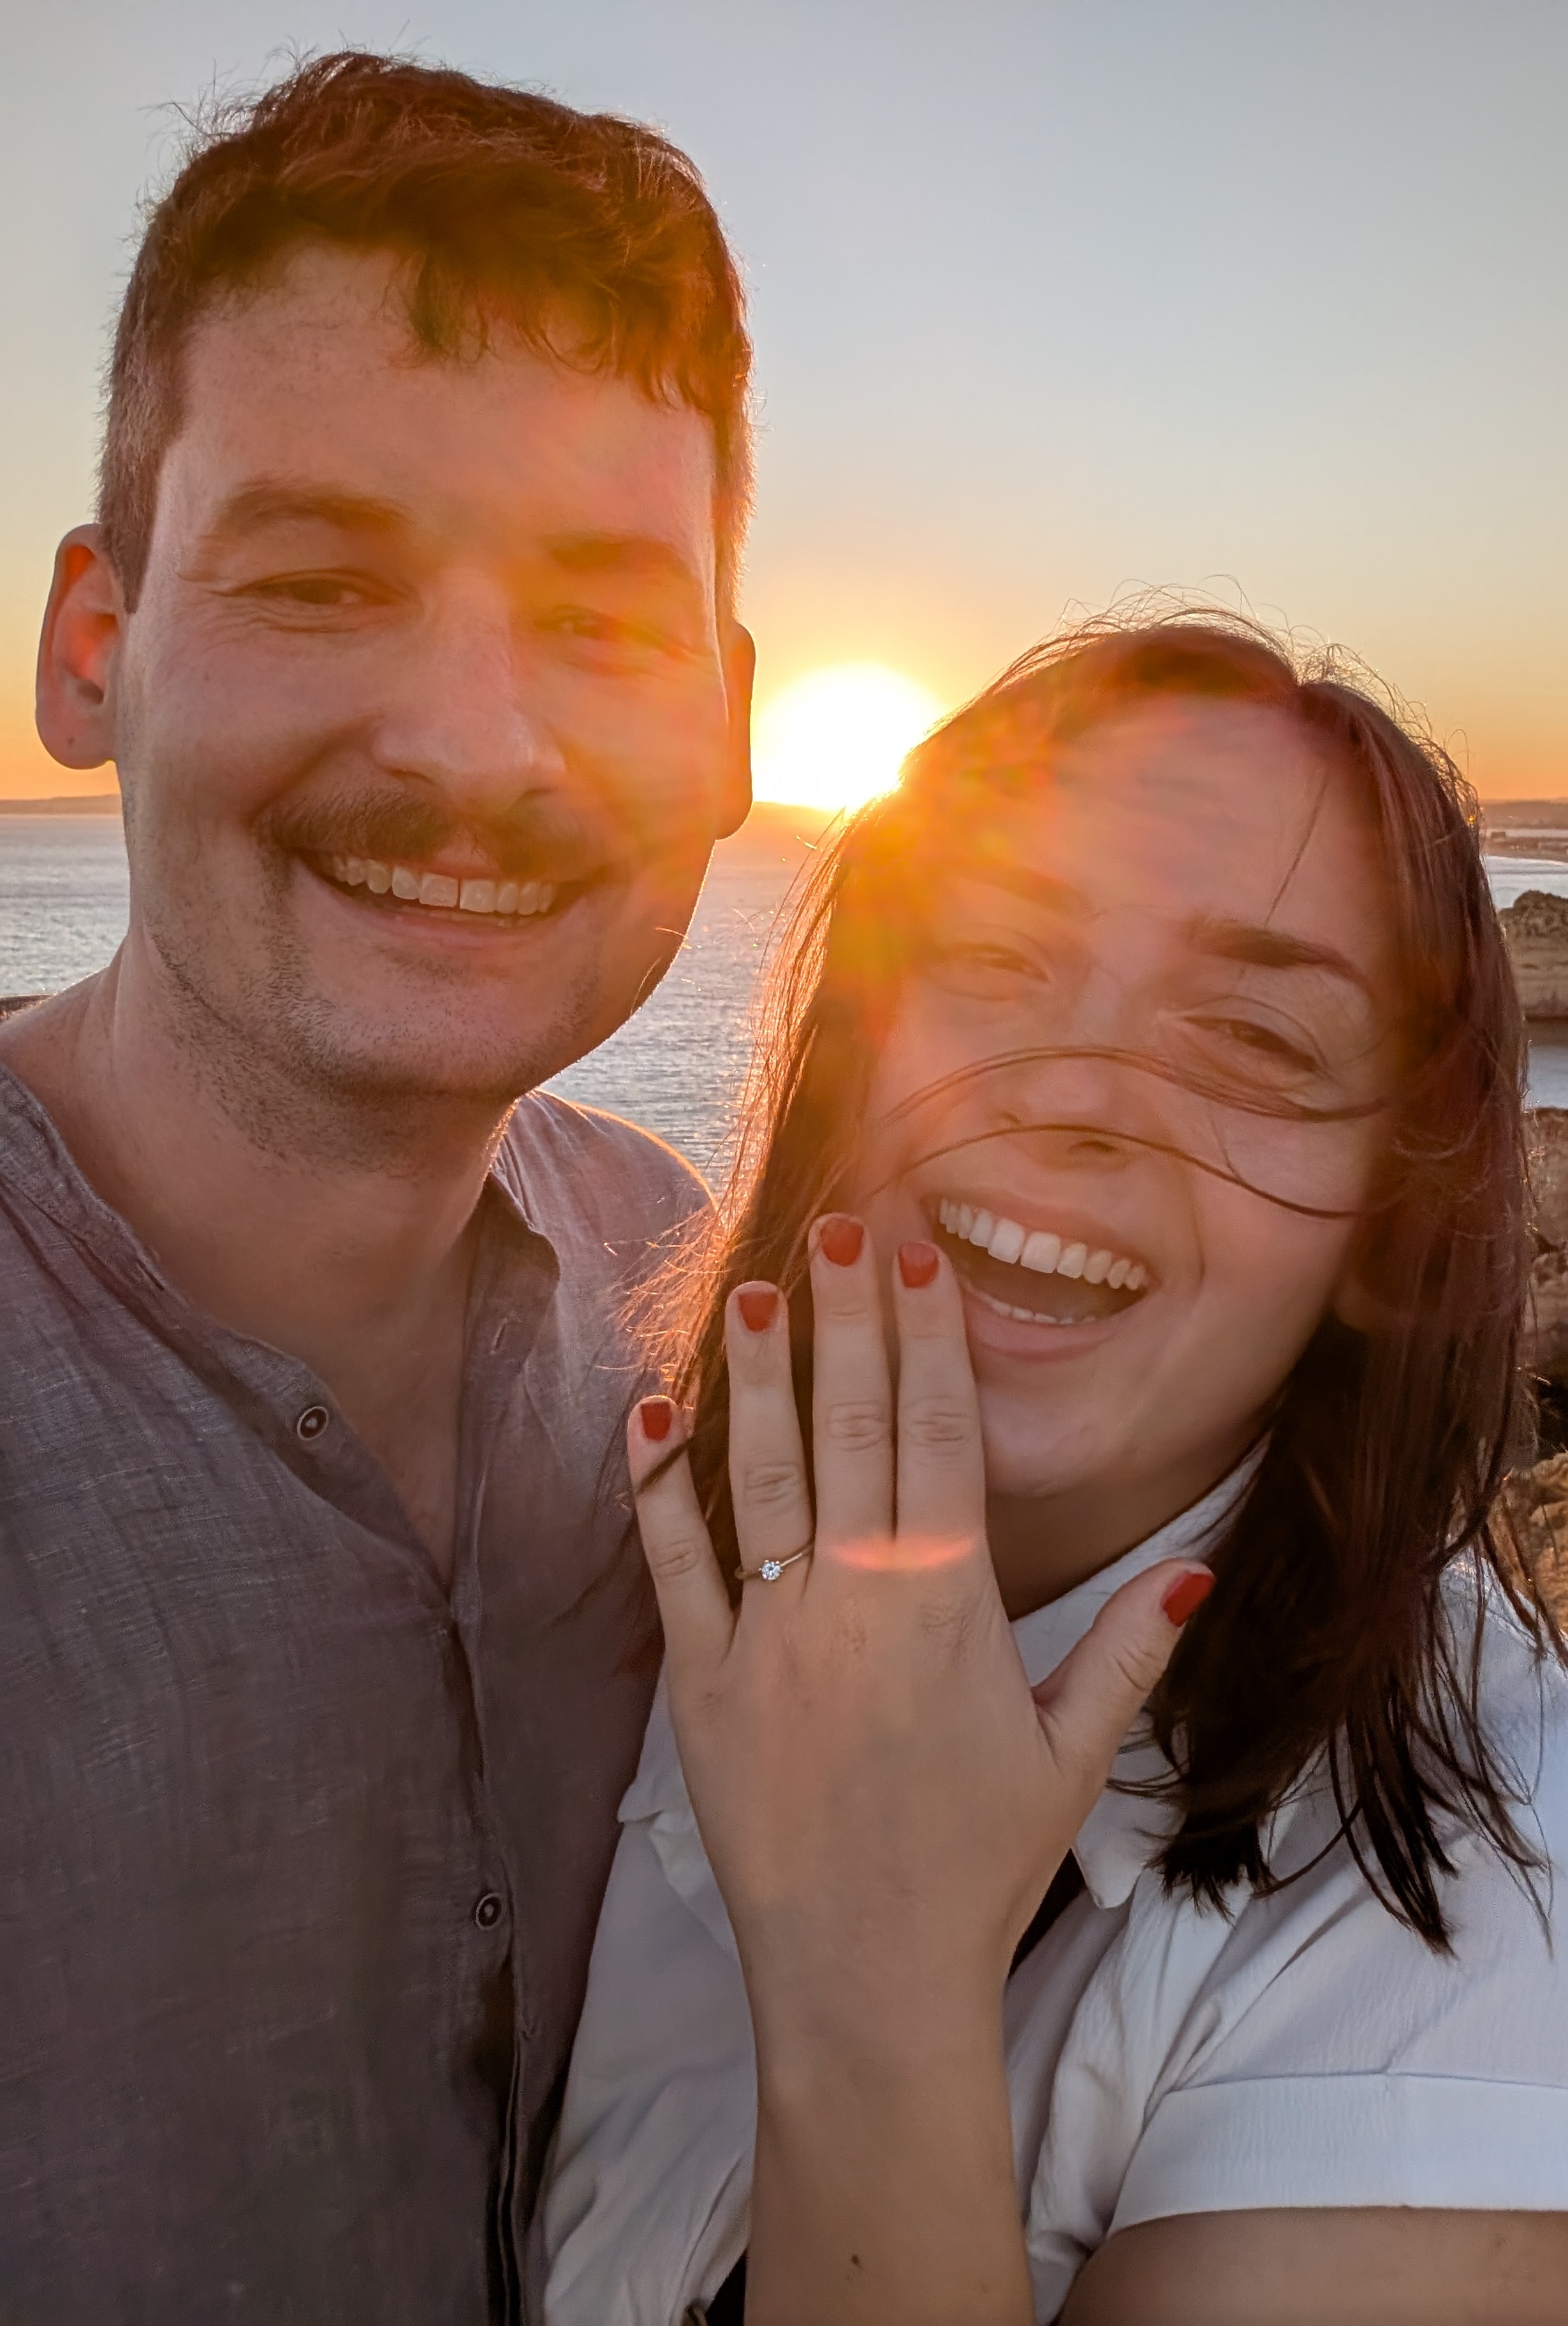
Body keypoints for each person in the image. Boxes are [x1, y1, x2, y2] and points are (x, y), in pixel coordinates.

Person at [543, 617, 1568, 2325]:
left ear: (1383, 1222)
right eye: (997, 965)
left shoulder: (1512, 1851)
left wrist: (877, 1982)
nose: (1077, 1098)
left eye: (1254, 1037)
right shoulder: (597, 1578)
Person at [1, 52, 755, 2325]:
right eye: (323, 578)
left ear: (729, 723)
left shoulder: (699, 1300)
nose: (469, 745)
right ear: (94, 647)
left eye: (604, 623)